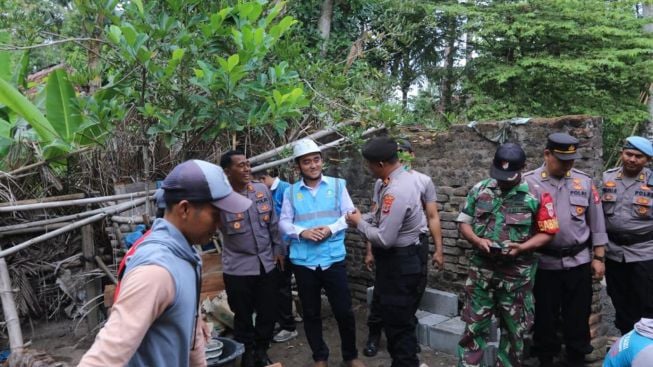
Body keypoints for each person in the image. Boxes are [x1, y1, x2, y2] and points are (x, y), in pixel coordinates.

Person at [79, 159, 252, 367]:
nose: (221, 223)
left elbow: (191, 332)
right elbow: (102, 359)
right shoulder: (156, 271)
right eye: (216, 215)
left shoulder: (187, 255)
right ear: (185, 209)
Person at [455, 143, 559, 366]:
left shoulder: (538, 194)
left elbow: (548, 232)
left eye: (508, 176)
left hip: (516, 281)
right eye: (498, 174)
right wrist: (477, 240)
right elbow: (463, 223)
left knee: (514, 335)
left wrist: (522, 247)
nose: (502, 180)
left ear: (523, 167)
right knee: (472, 331)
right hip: (481, 276)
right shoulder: (480, 189)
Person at [278, 138, 364, 367]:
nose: (313, 165)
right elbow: (284, 223)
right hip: (304, 262)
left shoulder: (337, 186)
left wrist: (330, 228)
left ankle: (351, 356)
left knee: (344, 311)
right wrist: (302, 233)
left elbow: (350, 215)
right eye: (307, 162)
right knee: (311, 313)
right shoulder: (291, 192)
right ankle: (320, 357)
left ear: (322, 161)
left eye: (316, 160)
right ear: (299, 166)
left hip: (332, 258)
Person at [524, 133, 608, 367]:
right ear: (547, 154)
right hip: (544, 263)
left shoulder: (583, 182)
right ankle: (545, 358)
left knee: (578, 316)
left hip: (578, 261)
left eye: (571, 160)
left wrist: (599, 257)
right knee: (544, 317)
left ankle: (576, 357)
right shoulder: (529, 182)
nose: (567, 165)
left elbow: (597, 222)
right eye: (561, 160)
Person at [346, 136, 425, 367]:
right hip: (398, 263)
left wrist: (359, 223)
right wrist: (361, 218)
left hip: (400, 264)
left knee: (399, 327)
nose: (367, 169)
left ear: (380, 164)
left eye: (369, 164)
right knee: (397, 322)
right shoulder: (393, 182)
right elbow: (382, 217)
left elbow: (384, 238)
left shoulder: (396, 191)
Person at [362, 139, 444, 357]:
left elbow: (431, 216)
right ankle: (383, 338)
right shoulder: (383, 183)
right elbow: (376, 217)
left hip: (405, 254)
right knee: (386, 304)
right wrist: (368, 246)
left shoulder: (410, 185)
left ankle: (405, 353)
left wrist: (439, 249)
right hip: (392, 257)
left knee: (402, 310)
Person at [220, 150, 285, 367]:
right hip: (238, 268)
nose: (247, 169)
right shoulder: (220, 198)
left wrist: (278, 250)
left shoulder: (261, 190)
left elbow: (273, 223)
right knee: (243, 315)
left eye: (248, 164)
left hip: (266, 264)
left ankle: (261, 350)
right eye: (240, 165)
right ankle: (247, 352)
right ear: (227, 171)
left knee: (268, 311)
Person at [601, 136, 653, 336]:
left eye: (638, 156)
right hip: (614, 252)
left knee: (646, 302)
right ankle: (626, 342)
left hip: (645, 252)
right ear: (622, 154)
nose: (632, 159)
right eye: (628, 154)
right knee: (618, 299)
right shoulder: (607, 179)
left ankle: (646, 349)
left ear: (647, 160)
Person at [256, 168, 298, 343]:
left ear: (262, 177)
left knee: (282, 287)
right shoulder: (263, 192)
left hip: (287, 248)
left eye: (255, 182)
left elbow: (286, 222)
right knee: (275, 286)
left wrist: (281, 249)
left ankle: (289, 326)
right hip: (273, 249)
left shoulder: (287, 190)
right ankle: (282, 319)